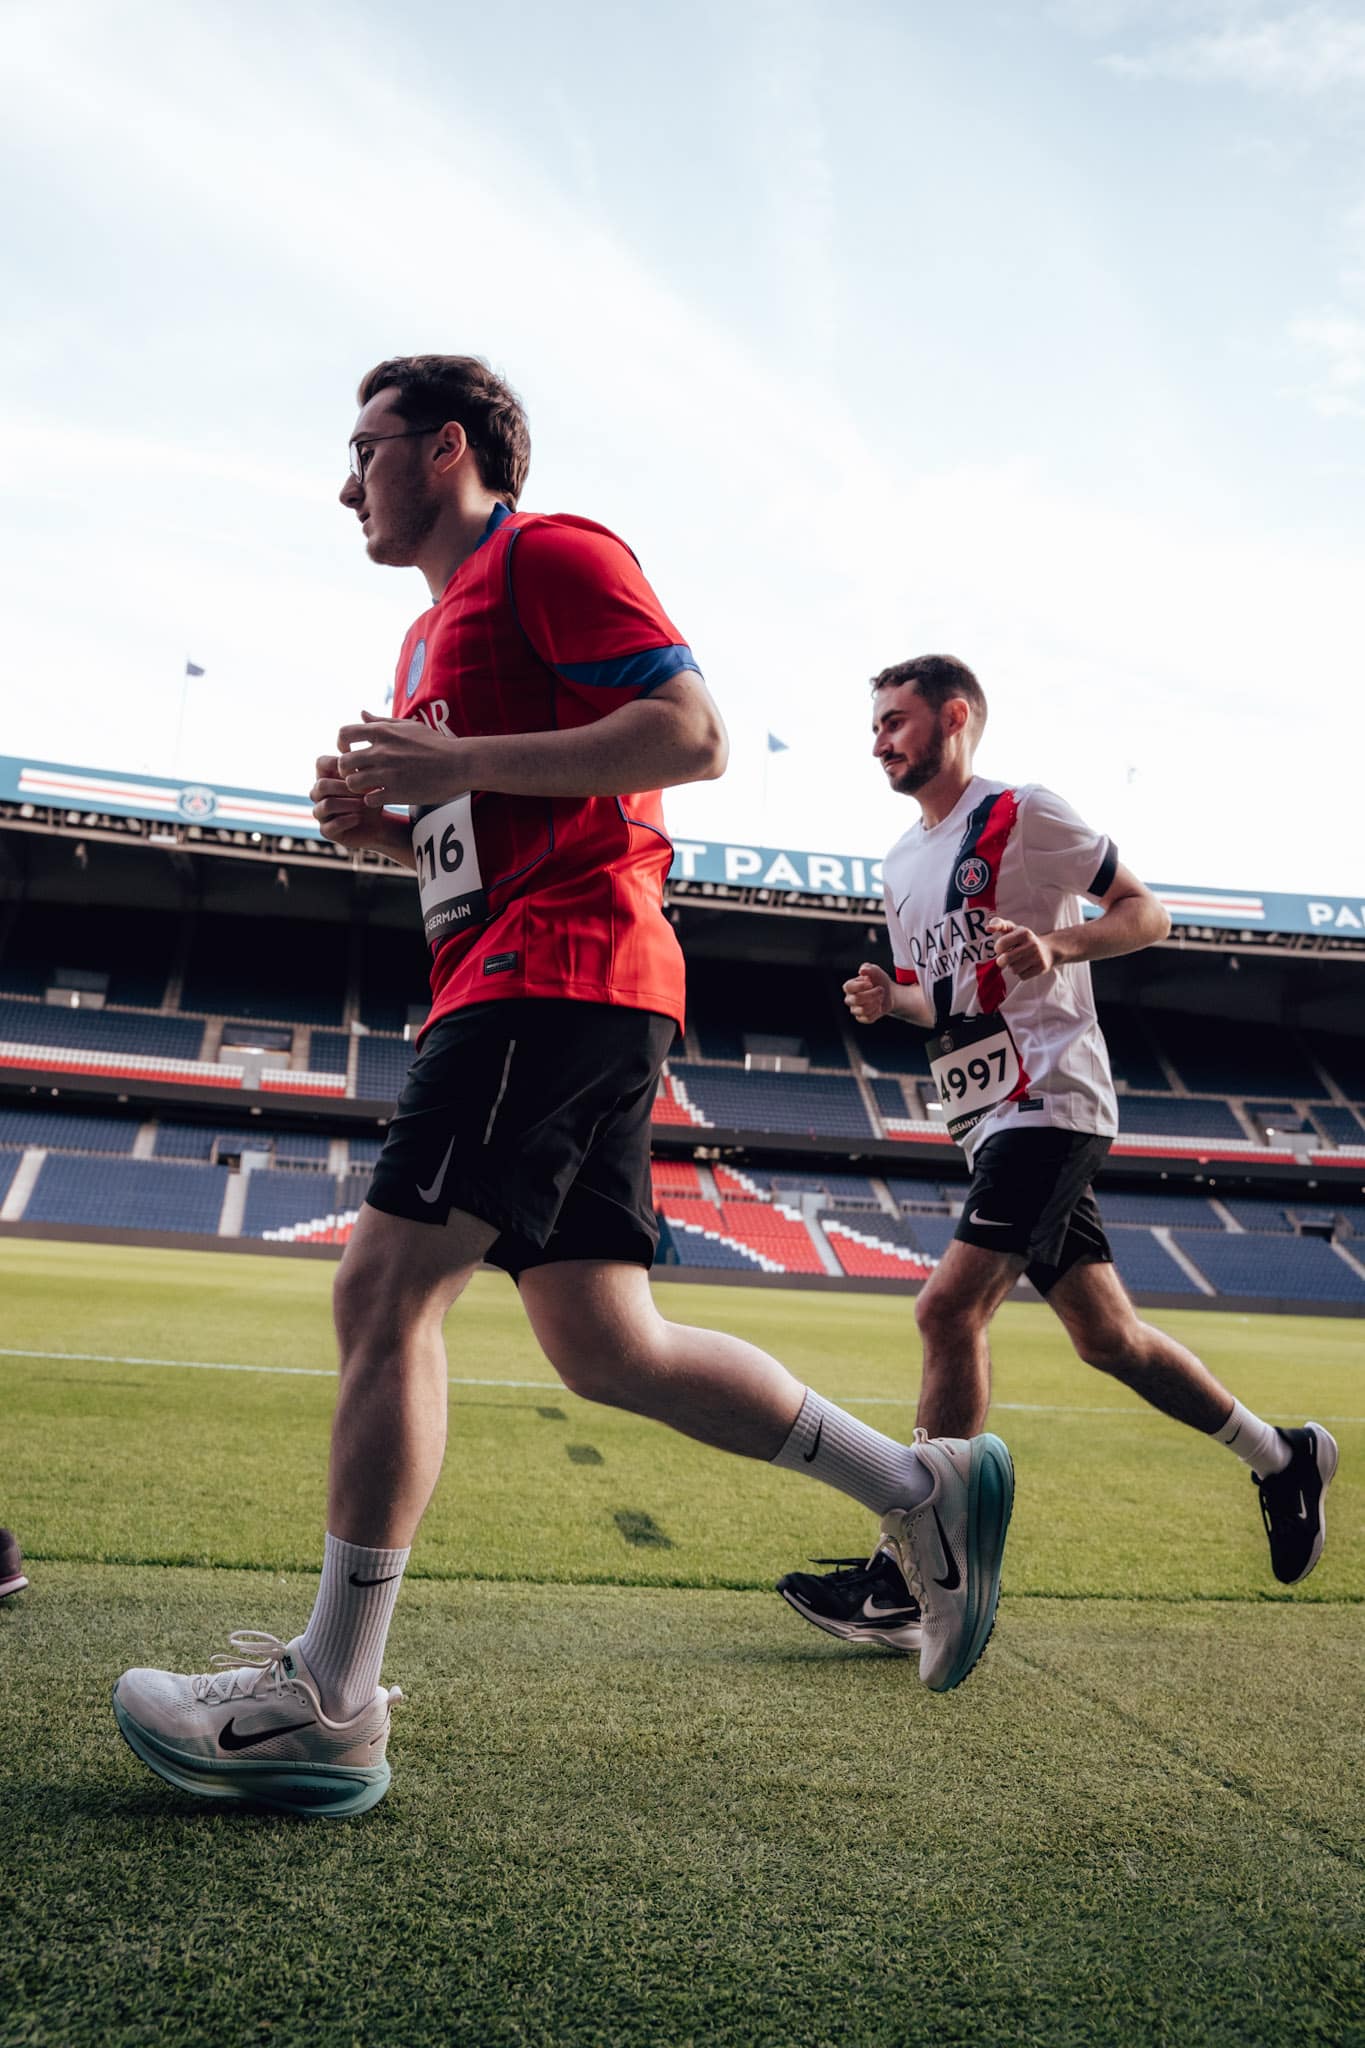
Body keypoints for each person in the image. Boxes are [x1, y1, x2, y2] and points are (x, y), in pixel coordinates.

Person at [113, 361, 1011, 1819]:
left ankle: (330, 1701)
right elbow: (486, 840)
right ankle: (916, 1492)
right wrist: (387, 832)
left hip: (561, 972)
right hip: (529, 976)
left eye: (366, 449)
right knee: (608, 1345)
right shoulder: (422, 643)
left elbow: (692, 737)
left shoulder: (554, 553)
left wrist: (453, 761)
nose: (346, 483)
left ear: (448, 446)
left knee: (384, 1291)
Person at [777, 654, 1338, 1655]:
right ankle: (1281, 1453)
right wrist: (888, 999)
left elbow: (1147, 911)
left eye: (895, 721)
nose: (878, 740)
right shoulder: (899, 861)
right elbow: (938, 997)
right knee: (1107, 1336)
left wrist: (1060, 946)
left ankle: (908, 1577)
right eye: (873, 725)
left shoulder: (1024, 811)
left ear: (955, 718)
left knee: (947, 1307)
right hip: (985, 1115)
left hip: (1053, 1097)